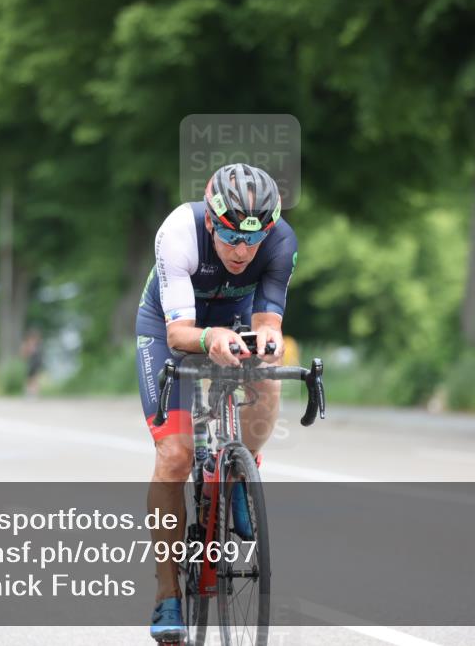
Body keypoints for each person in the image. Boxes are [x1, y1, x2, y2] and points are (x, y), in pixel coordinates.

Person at [135, 163, 297, 643]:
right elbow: (179, 332)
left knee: (269, 369)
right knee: (175, 455)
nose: (243, 251)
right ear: (212, 222)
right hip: (172, 329)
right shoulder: (179, 232)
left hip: (234, 319)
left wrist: (268, 341)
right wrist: (210, 338)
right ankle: (167, 595)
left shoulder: (280, 241)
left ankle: (239, 474)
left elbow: (270, 321)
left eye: (253, 240)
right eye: (231, 238)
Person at [21, 328, 43, 397]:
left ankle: (33, 393)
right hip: (31, 363)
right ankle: (30, 393)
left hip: (35, 363)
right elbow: (24, 355)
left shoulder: (36, 344)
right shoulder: (28, 344)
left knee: (34, 378)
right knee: (30, 378)